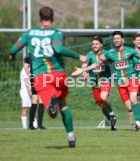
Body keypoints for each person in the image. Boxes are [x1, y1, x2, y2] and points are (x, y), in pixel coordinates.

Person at [9, 6, 86, 147]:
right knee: (63, 106)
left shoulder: (30, 33)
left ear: (39, 19)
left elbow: (14, 48)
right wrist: (79, 56)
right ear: (53, 18)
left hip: (41, 77)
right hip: (58, 74)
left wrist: (12, 56)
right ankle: (70, 136)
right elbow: (58, 48)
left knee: (52, 114)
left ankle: (52, 100)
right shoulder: (56, 33)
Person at [72, 31, 140, 131]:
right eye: (115, 39)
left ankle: (138, 123)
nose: (116, 40)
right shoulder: (110, 53)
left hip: (132, 79)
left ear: (122, 40)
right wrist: (83, 70)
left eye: (118, 38)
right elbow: (97, 64)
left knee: (134, 99)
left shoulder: (130, 50)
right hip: (120, 83)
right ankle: (138, 115)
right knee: (130, 108)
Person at [82, 36, 117, 130]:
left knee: (104, 97)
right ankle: (111, 118)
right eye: (93, 44)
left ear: (101, 45)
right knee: (102, 105)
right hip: (94, 83)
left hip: (106, 80)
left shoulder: (106, 53)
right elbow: (85, 64)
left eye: (96, 44)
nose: (94, 45)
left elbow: (113, 60)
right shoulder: (89, 55)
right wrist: (84, 72)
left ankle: (112, 115)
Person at [23, 56, 46, 130]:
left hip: (34, 78)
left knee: (34, 101)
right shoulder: (44, 56)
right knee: (41, 101)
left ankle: (30, 125)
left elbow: (26, 67)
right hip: (42, 78)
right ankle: (39, 125)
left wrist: (29, 74)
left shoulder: (29, 57)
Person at [19, 58, 32, 130]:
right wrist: (30, 92)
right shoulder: (24, 70)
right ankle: (24, 126)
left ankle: (34, 124)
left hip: (29, 91)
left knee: (32, 108)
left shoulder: (29, 69)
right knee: (25, 109)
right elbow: (27, 82)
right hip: (25, 92)